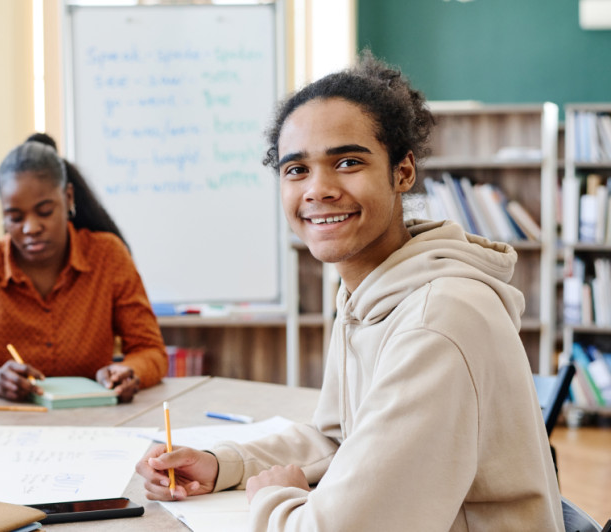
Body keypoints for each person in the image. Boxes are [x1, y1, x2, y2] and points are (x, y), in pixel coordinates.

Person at [136, 53, 563, 530]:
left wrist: (274, 498)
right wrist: (223, 464)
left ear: (403, 172)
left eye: (347, 161)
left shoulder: (436, 320)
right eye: (296, 170)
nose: (318, 189)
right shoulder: (369, 292)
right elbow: (341, 442)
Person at [0, 133, 168, 403]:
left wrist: (129, 371)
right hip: (9, 423)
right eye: (15, 217)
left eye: (44, 211)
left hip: (96, 416)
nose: (31, 228)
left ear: (68, 199)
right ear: (3, 215)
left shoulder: (108, 256)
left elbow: (150, 349)